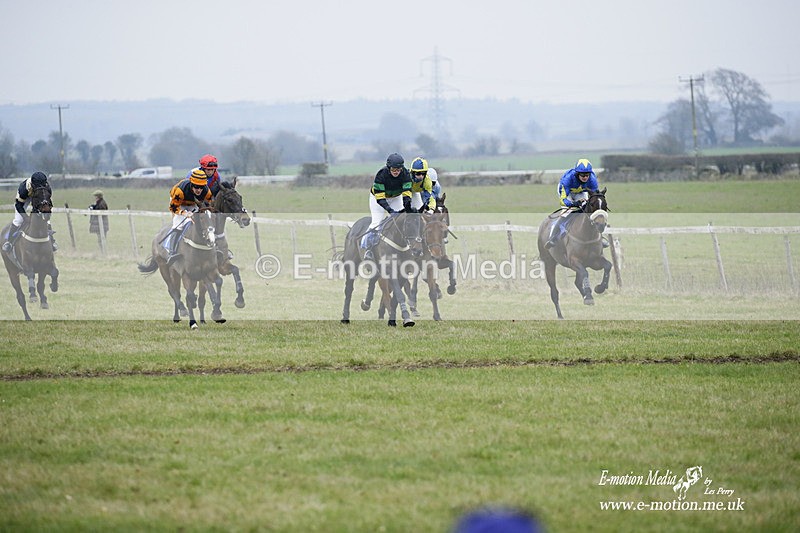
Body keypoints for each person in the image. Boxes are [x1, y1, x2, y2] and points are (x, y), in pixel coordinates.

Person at [361, 153, 413, 261]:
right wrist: (390, 210)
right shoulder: (381, 175)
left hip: (396, 197)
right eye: (394, 169)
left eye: (399, 169)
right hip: (378, 198)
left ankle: (405, 247)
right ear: (389, 168)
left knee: (403, 220)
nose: (396, 172)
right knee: (377, 222)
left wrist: (406, 207)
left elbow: (407, 193)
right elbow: (380, 199)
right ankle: (368, 249)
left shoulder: (406, 174)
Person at [544, 158, 600, 249]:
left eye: (587, 175)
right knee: (566, 212)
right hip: (567, 193)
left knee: (588, 211)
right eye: (582, 175)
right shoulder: (568, 179)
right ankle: (552, 237)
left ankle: (599, 238)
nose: (585, 177)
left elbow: (594, 196)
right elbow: (563, 200)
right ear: (577, 174)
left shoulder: (592, 180)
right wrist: (573, 204)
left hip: (581, 192)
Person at [164, 169, 213, 265]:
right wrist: (184, 213)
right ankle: (171, 252)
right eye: (196, 187)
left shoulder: (206, 191)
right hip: (178, 203)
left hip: (193, 203)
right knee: (179, 224)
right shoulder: (180, 191)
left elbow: (211, 204)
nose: (199, 190)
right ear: (191, 184)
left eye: (201, 187)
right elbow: (173, 207)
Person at [2, 171, 58, 253]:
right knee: (18, 220)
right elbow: (19, 205)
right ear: (33, 184)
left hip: (39, 199)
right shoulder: (23, 189)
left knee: (47, 220)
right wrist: (25, 217)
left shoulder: (47, 189)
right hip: (24, 200)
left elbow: (48, 205)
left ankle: (52, 242)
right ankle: (9, 242)